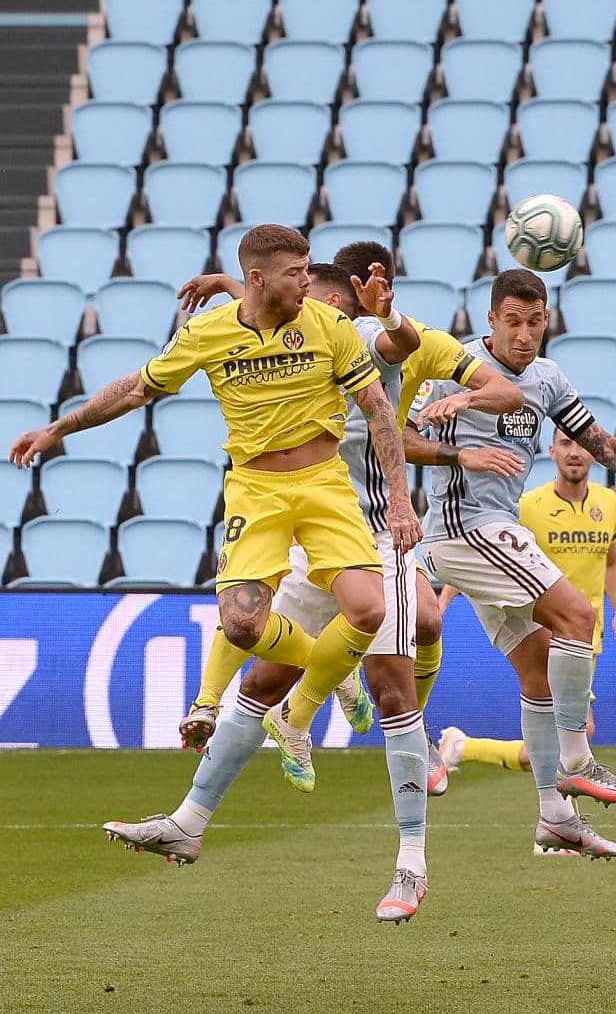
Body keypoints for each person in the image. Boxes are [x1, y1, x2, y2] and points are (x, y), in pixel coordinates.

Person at [100, 243, 524, 924]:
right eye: (300, 288)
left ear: (348, 298)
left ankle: (410, 866)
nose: (307, 302)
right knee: (262, 679)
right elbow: (257, 311)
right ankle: (188, 820)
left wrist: (439, 409)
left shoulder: (364, 337)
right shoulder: (291, 330)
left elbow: (414, 353)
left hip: (372, 532)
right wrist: (229, 285)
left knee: (392, 688)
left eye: (321, 291)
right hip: (305, 533)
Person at [9, 221, 423, 847]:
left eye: (309, 270)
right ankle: (329, 678)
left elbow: (379, 412)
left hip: (324, 485)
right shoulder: (209, 331)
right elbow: (134, 389)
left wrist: (398, 500)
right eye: (296, 272)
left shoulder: (331, 326)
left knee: (368, 611)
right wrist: (58, 430)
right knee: (240, 628)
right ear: (257, 279)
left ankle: (295, 711)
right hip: (254, 492)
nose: (308, 281)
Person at [404, 267, 616, 860]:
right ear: (491, 319)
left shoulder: (547, 378)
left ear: (547, 321)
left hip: (496, 532)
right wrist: (461, 450)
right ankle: (577, 759)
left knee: (540, 670)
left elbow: (604, 446)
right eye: (512, 322)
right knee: (576, 616)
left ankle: (555, 817)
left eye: (535, 322)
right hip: (466, 530)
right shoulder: (453, 366)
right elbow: (401, 439)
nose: (524, 335)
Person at [437, 428, 616, 826]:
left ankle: (464, 749)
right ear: (551, 451)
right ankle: (556, 824)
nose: (574, 452)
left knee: (565, 737)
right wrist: (442, 602)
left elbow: (612, 562)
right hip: (545, 627)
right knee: (579, 732)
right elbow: (483, 554)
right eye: (565, 443)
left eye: (581, 444)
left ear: (595, 454)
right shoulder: (529, 505)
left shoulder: (610, 503)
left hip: (586, 633)